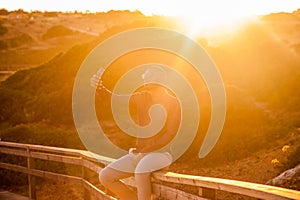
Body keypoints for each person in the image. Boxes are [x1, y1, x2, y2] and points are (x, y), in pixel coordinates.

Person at [90, 66, 181, 200]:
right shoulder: (141, 97)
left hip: (162, 154)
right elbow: (114, 99)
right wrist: (100, 87)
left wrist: (144, 151)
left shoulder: (174, 103)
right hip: (140, 153)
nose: (145, 81)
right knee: (105, 176)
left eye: (149, 79)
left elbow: (169, 135)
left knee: (141, 170)